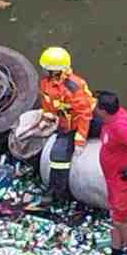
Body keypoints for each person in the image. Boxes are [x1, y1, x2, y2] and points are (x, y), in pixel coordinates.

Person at [37, 47, 96, 207]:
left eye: (47, 69)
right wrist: (47, 117)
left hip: (82, 121)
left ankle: (60, 194)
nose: (44, 71)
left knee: (60, 156)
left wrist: (80, 140)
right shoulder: (46, 83)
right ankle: (58, 191)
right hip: (65, 123)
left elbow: (84, 113)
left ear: (56, 71)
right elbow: (48, 103)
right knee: (57, 158)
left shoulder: (72, 86)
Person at [95, 91, 127, 255]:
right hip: (113, 180)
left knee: (122, 222)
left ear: (103, 111)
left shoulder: (119, 126)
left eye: (96, 106)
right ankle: (116, 249)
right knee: (115, 218)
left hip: (123, 182)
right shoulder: (112, 118)